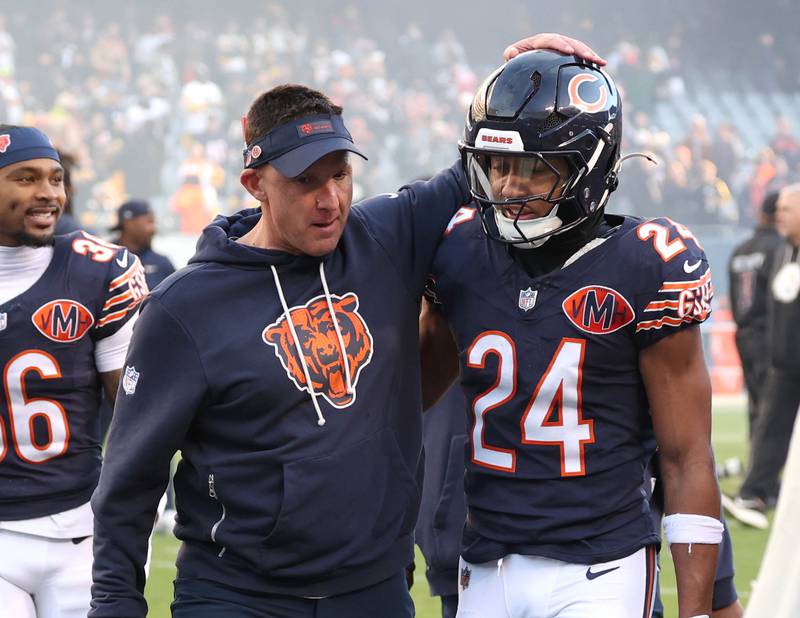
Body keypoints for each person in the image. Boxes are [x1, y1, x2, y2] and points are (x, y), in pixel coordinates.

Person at [88, 34, 603, 618]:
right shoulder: (184, 308)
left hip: (373, 591)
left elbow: (481, 162)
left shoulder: (385, 236)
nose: (330, 199)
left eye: (339, 175)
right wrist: (114, 604)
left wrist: (528, 76)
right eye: (305, 181)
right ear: (256, 185)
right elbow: (130, 483)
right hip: (237, 595)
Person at [420, 51, 723, 617]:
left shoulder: (644, 263)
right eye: (496, 164)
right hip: (485, 560)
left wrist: (699, 609)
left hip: (601, 567)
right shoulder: (459, 250)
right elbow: (406, 395)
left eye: (535, 167)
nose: (509, 186)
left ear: (590, 163)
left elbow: (686, 458)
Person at [0, 125, 146, 618]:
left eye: (55, 179)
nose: (47, 193)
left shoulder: (96, 270)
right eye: (25, 178)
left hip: (82, 530)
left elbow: (135, 414)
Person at [726, 183, 800, 528]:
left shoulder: (753, 250)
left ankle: (760, 491)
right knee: (769, 422)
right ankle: (756, 493)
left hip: (765, 346)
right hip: (779, 357)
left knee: (765, 418)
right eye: (780, 210)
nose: (780, 217)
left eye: (788, 210)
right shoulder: (779, 250)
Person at [727, 191, 782, 435]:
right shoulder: (780, 248)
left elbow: (732, 297)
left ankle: (756, 461)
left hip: (744, 333)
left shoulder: (740, 250)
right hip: (772, 335)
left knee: (755, 402)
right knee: (776, 404)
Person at [109, 199, 175, 289]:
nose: (153, 229)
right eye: (149, 222)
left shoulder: (162, 263)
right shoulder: (105, 258)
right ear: (129, 224)